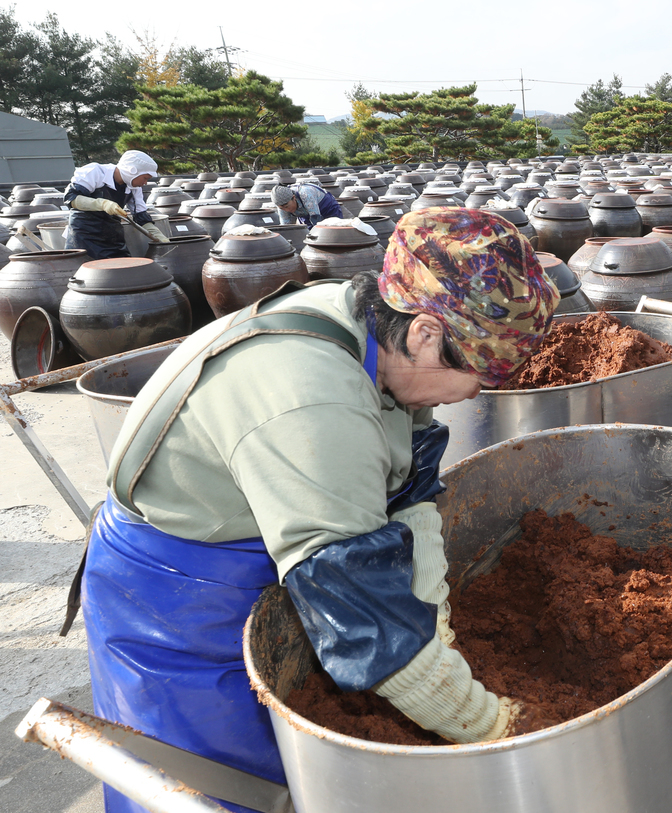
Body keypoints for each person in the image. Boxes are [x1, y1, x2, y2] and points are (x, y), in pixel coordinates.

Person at [79, 208, 559, 813]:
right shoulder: (311, 404)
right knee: (212, 788)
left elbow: (408, 489)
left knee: (296, 779)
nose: (473, 396)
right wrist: (493, 727)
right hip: (180, 600)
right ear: (425, 334)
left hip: (275, 555)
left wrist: (433, 612)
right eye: (477, 379)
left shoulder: (373, 327)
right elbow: (364, 624)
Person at [63, 149, 169, 259]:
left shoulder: (133, 186)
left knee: (121, 268)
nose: (145, 182)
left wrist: (158, 236)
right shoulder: (96, 172)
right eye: (145, 178)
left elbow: (140, 216)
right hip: (84, 234)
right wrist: (102, 204)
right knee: (91, 272)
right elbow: (71, 199)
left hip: (112, 234)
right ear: (132, 171)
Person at [273, 182, 344, 227]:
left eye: (287, 206)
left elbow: (316, 220)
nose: (287, 210)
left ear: (293, 198)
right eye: (282, 208)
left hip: (327, 208)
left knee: (334, 229)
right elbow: (285, 226)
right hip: (306, 214)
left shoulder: (305, 194)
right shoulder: (281, 204)